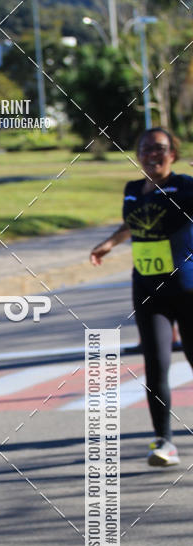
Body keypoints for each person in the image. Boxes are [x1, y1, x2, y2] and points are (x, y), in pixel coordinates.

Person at [90, 127, 193, 467]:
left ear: (173, 154)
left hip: (188, 290)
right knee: (156, 366)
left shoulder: (186, 186)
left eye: (161, 148)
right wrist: (109, 243)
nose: (153, 154)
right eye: (146, 148)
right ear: (138, 154)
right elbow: (133, 225)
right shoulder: (133, 189)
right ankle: (164, 441)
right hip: (148, 290)